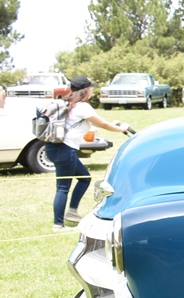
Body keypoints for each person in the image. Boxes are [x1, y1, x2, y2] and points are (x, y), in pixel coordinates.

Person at [45, 76, 131, 231]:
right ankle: (58, 225)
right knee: (63, 187)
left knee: (84, 178)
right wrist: (121, 129)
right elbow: (103, 124)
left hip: (55, 148)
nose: (93, 90)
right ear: (85, 90)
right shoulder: (82, 107)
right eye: (91, 88)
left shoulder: (68, 103)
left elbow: (96, 121)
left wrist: (114, 124)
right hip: (65, 149)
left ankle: (72, 212)